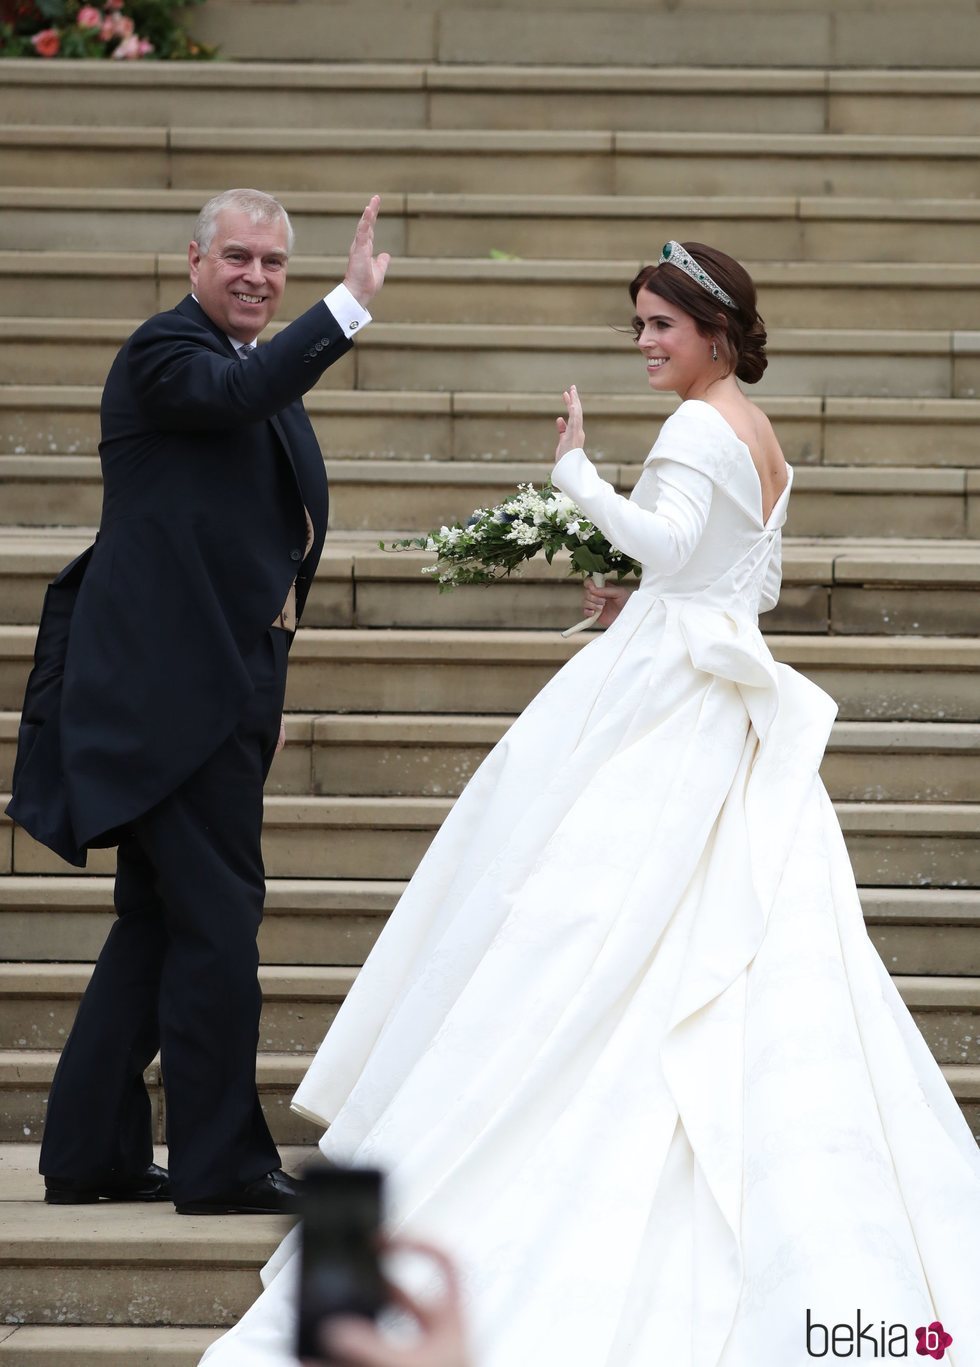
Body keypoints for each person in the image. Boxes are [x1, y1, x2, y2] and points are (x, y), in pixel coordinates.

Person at [200, 242, 980, 1363]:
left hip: (666, 709)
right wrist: (642, 579)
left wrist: (575, 474)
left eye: (661, 325)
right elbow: (726, 573)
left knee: (564, 935)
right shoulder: (755, 432)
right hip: (711, 694)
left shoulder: (694, 426)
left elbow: (666, 545)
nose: (645, 346)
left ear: (714, 328)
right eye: (637, 327)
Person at [6, 188, 390, 1215]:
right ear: (192, 258)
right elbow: (238, 398)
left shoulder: (239, 363)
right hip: (165, 697)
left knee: (160, 923)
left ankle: (88, 1150)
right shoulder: (166, 354)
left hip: (224, 680)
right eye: (237, 256)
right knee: (217, 923)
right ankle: (220, 1164)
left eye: (274, 261)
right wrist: (344, 306)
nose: (257, 275)